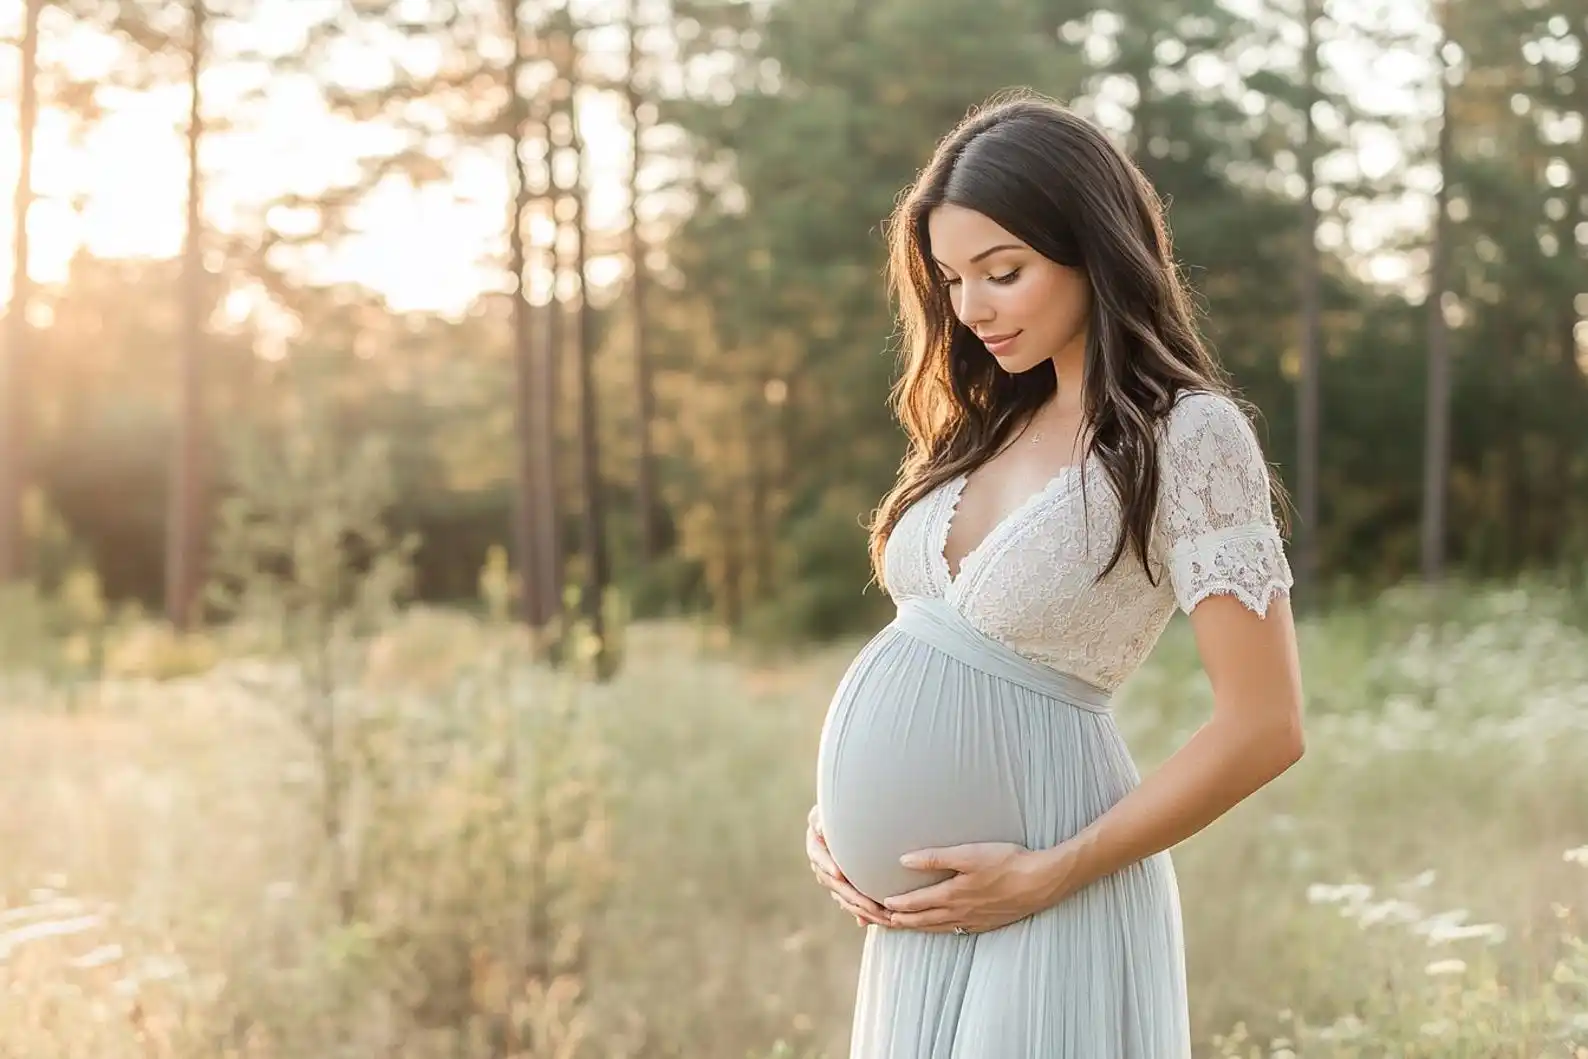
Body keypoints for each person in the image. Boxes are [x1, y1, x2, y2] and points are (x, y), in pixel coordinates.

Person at [804, 90, 1306, 1057]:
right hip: (921, 925)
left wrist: (1054, 871)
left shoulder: (1185, 437)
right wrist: (843, 821)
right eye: (952, 278)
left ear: (1094, 248)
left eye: (1004, 271)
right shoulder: (981, 423)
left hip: (1052, 888)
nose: (972, 308)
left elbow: (1266, 725)